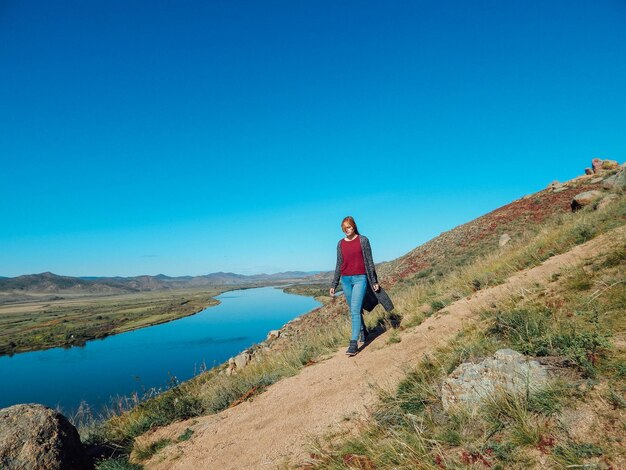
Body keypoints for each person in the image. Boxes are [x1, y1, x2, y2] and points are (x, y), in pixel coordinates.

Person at [330, 216, 394, 356]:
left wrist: (374, 280)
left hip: (361, 279)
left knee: (354, 309)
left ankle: (353, 343)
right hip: (345, 281)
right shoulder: (340, 244)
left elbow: (370, 262)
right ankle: (363, 331)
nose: (347, 230)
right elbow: (339, 264)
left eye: (349, 227)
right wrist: (334, 284)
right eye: (345, 228)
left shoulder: (363, 240)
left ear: (354, 226)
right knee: (355, 310)